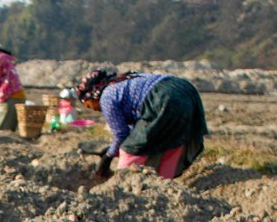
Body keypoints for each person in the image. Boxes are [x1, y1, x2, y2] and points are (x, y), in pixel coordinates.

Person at [76, 69, 208, 180]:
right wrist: (111, 149)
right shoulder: (123, 82)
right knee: (173, 144)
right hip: (184, 90)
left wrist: (107, 158)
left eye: (89, 105)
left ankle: (122, 186)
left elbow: (122, 135)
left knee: (129, 149)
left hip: (163, 97)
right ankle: (164, 182)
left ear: (92, 95)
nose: (93, 109)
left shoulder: (106, 97)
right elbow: (136, 130)